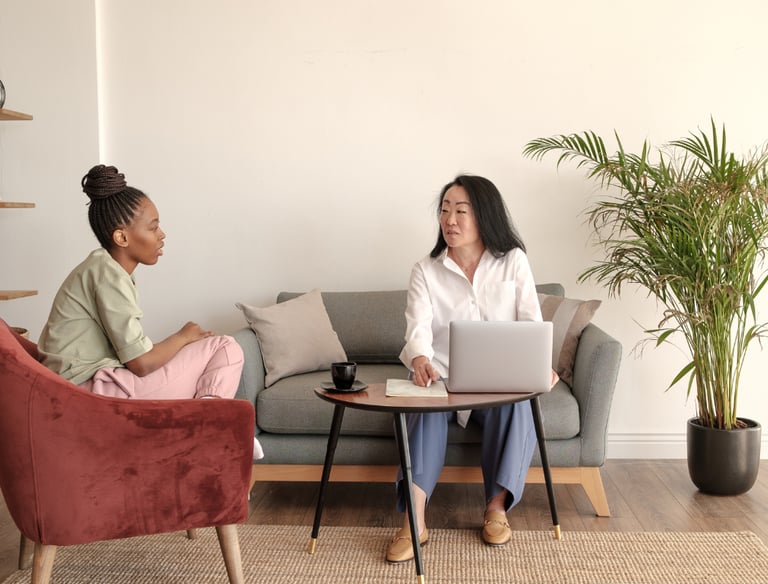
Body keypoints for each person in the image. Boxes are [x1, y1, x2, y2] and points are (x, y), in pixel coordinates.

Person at [386, 174, 558, 563]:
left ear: (484, 216)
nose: (450, 219)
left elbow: (531, 324)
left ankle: (496, 510)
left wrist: (537, 366)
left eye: (460, 211)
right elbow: (417, 328)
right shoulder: (425, 270)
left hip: (498, 382)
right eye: (445, 210)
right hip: (443, 380)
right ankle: (414, 521)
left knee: (518, 402)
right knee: (425, 404)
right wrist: (420, 360)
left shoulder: (512, 261)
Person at [39, 164, 262, 458]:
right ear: (122, 238)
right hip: (93, 394)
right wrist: (182, 337)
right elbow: (141, 363)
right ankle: (212, 426)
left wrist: (183, 343)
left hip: (97, 386)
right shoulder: (108, 275)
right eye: (153, 227)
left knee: (214, 353)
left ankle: (207, 421)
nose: (162, 235)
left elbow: (134, 357)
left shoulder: (104, 269)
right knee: (225, 347)